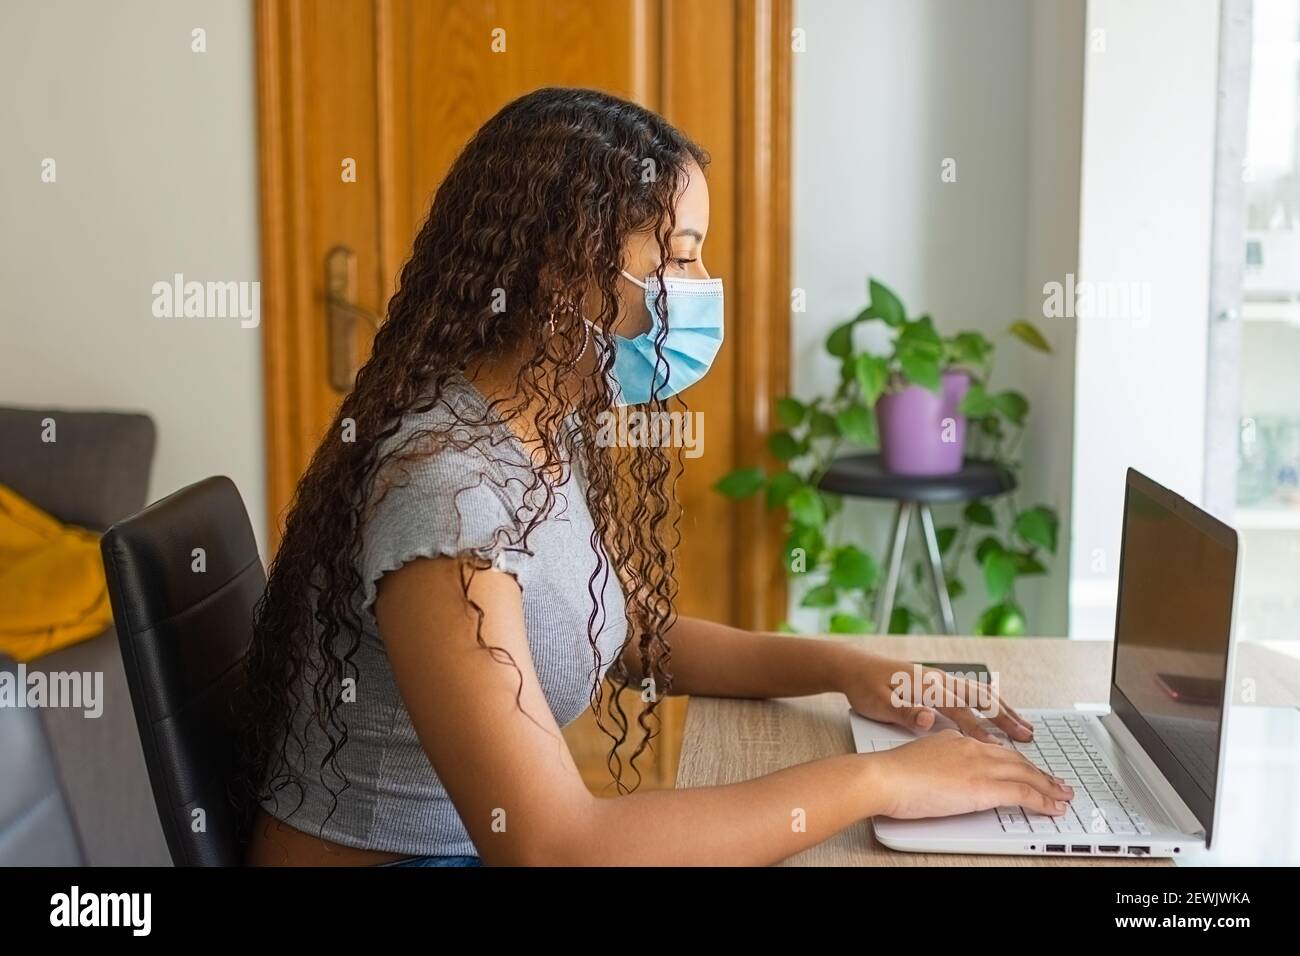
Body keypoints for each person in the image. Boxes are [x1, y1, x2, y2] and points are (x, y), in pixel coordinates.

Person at [239, 87, 1070, 867]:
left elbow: (634, 636)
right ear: (567, 269)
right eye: (679, 257)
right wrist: (884, 781)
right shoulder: (449, 495)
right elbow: (556, 849)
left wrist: (848, 670)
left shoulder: (534, 427)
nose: (703, 290)